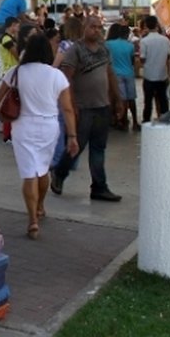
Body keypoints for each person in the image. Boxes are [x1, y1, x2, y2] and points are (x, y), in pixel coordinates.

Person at [0, 34, 78, 240]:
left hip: (22, 126)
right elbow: (67, 109)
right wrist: (72, 136)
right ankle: (40, 205)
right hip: (49, 127)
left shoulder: (16, 72)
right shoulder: (56, 76)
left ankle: (32, 221)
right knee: (42, 170)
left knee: (28, 173)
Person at [50, 16, 123, 202]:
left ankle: (99, 187)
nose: (96, 31)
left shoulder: (104, 49)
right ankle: (60, 172)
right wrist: (72, 104)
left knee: (99, 148)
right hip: (83, 108)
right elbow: (67, 78)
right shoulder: (76, 50)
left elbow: (109, 73)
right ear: (85, 27)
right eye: (93, 27)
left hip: (102, 106)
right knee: (77, 146)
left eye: (99, 27)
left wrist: (117, 99)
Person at [105, 24, 140, 131]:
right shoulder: (130, 46)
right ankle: (135, 122)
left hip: (116, 74)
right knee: (131, 98)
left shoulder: (108, 44)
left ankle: (122, 121)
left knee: (122, 99)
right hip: (129, 73)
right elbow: (132, 61)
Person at [139, 16, 170, 122]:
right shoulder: (165, 40)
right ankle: (165, 122)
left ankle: (146, 122)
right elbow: (168, 57)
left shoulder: (144, 41)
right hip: (162, 75)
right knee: (163, 102)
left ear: (146, 26)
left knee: (148, 102)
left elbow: (142, 58)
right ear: (157, 25)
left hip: (149, 76)